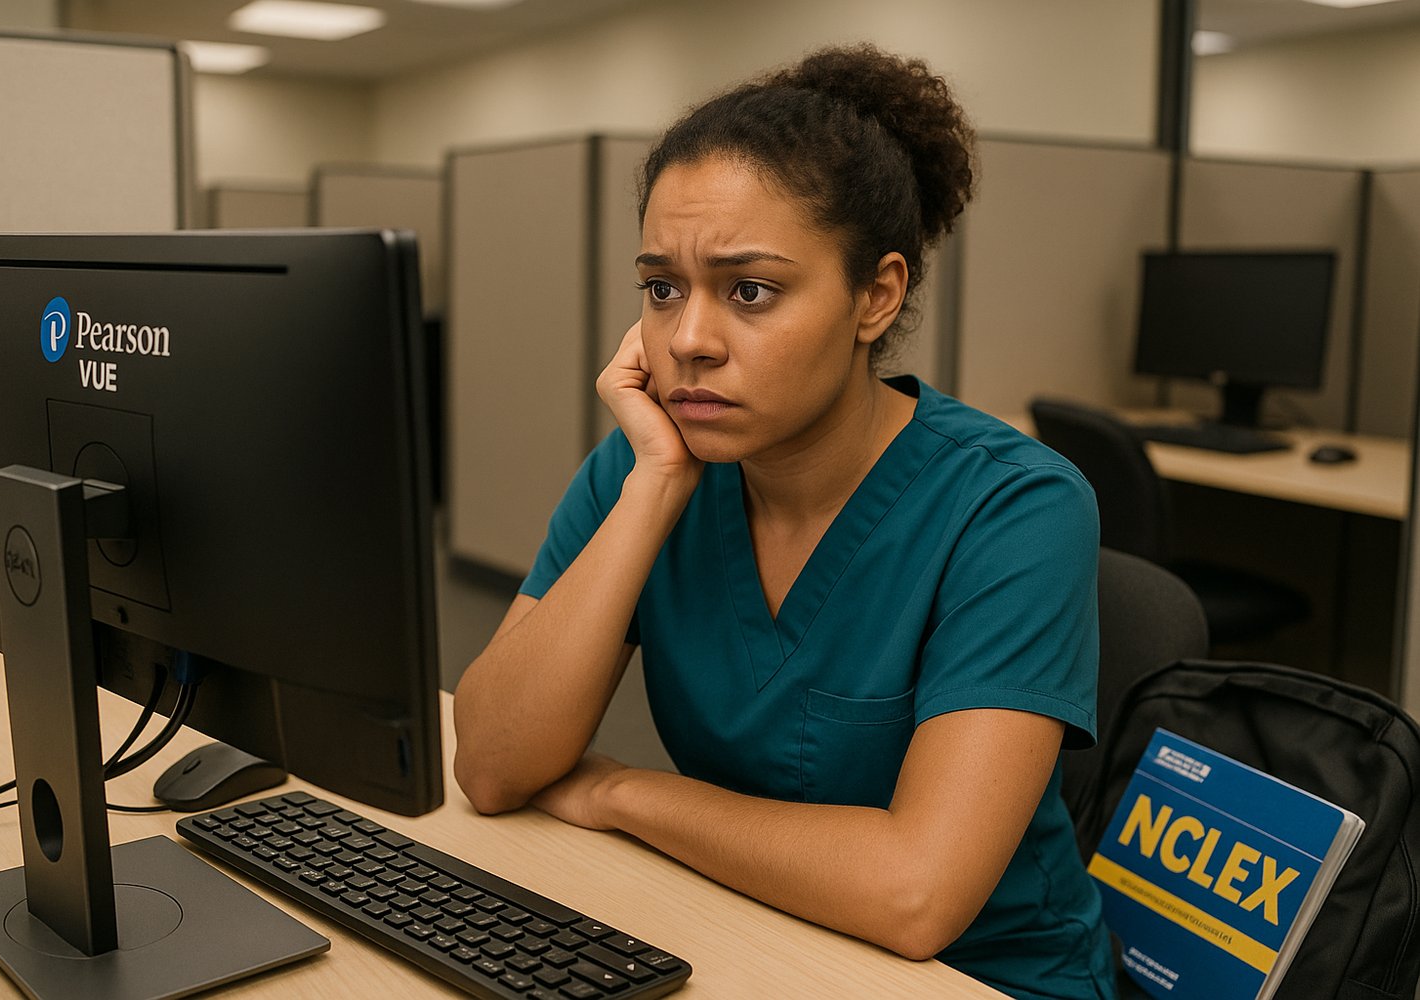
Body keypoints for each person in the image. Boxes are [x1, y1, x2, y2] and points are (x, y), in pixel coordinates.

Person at [452, 43, 1116, 1000]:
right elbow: (492, 763)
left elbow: (915, 894)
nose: (687, 341)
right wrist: (653, 495)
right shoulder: (651, 464)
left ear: (874, 297)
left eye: (749, 291)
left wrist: (622, 789)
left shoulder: (1013, 506)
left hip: (980, 980)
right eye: (662, 288)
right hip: (745, 934)